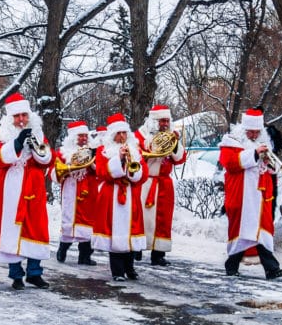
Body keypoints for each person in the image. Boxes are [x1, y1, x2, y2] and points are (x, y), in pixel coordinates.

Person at [0, 92, 53, 289]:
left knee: (36, 225)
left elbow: (47, 159)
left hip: (33, 183)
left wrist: (35, 147)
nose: (21, 120)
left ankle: (34, 272)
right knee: (11, 227)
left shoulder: (38, 133)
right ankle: (16, 274)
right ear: (10, 118)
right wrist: (16, 143)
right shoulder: (1, 135)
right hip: (10, 183)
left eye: (24, 115)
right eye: (17, 116)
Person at [218, 108, 282, 279]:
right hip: (241, 195)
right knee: (241, 231)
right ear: (244, 129)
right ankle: (231, 264)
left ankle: (271, 269)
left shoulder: (264, 144)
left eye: (257, 132)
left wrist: (270, 167)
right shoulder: (231, 142)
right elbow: (231, 163)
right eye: (251, 132)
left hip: (259, 196)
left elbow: (262, 169)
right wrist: (254, 154)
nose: (254, 135)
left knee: (260, 232)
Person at [92, 113, 147, 281]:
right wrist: (119, 160)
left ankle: (130, 268)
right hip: (112, 196)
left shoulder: (136, 150)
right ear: (112, 135)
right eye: (118, 133)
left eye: (124, 133)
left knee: (131, 232)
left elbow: (143, 175)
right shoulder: (103, 151)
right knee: (114, 234)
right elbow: (101, 172)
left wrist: (133, 171)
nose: (122, 137)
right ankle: (117, 271)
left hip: (130, 195)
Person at [135, 104, 187, 266]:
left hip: (164, 183)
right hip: (145, 181)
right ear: (153, 121)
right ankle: (137, 247)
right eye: (161, 121)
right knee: (142, 218)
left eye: (167, 121)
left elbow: (180, 159)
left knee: (163, 219)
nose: (164, 124)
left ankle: (158, 254)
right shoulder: (140, 135)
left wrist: (174, 143)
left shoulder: (171, 136)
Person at [52, 120, 98, 265]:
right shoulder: (63, 152)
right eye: (80, 136)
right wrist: (68, 169)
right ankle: (63, 248)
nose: (84, 139)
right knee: (69, 222)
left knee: (88, 222)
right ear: (73, 138)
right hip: (71, 189)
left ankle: (85, 256)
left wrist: (94, 160)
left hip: (88, 190)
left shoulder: (92, 151)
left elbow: (100, 171)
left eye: (85, 136)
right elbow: (54, 174)